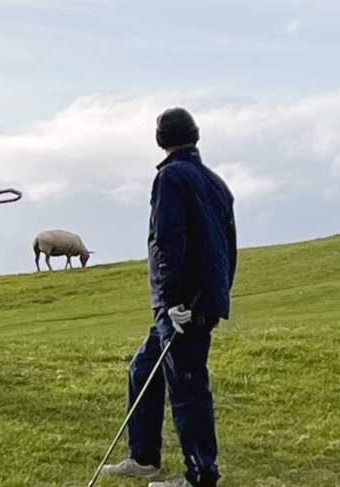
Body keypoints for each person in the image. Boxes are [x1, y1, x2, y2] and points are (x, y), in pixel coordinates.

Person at [102, 108, 237, 487]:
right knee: (143, 370)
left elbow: (169, 240)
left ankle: (200, 475)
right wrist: (214, 296)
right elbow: (229, 249)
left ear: (161, 140)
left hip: (181, 306)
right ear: (195, 135)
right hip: (197, 301)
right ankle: (143, 458)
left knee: (188, 385)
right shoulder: (216, 182)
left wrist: (173, 300)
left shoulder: (171, 177)